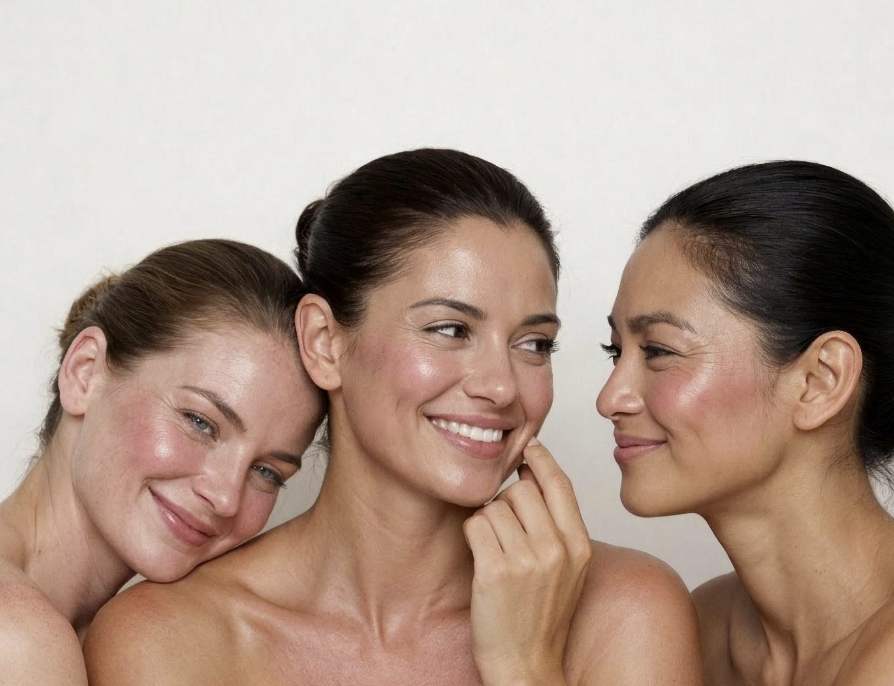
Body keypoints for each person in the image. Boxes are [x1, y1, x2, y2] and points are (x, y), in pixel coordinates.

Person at [85, 149, 701, 685]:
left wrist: (526, 668)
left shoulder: (625, 612)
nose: (501, 387)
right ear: (325, 341)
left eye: (534, 344)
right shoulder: (167, 641)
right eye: (450, 329)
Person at [597, 160, 894, 684]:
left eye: (660, 350)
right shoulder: (696, 630)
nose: (610, 399)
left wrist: (524, 666)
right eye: (614, 350)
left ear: (819, 380)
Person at [0, 239, 325, 686]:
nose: (226, 496)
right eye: (200, 422)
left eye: (267, 472)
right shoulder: (18, 642)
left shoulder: (102, 645)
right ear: (85, 370)